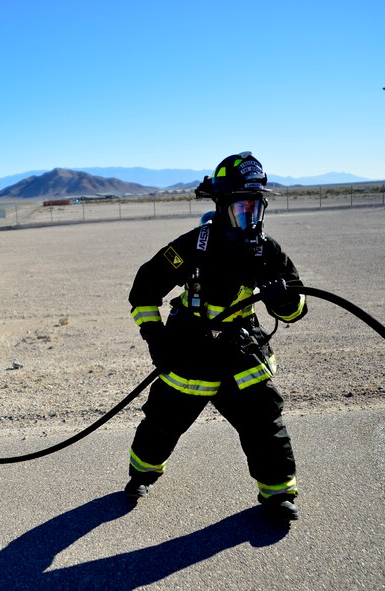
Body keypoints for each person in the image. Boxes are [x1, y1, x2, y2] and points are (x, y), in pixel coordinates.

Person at [125, 152, 308, 522]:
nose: (250, 219)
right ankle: (141, 474)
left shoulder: (267, 250)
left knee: (265, 425)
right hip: (187, 350)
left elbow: (297, 308)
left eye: (256, 209)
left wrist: (285, 300)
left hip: (240, 350)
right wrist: (155, 336)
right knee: (162, 422)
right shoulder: (194, 245)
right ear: (222, 206)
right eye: (242, 208)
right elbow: (144, 290)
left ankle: (278, 494)